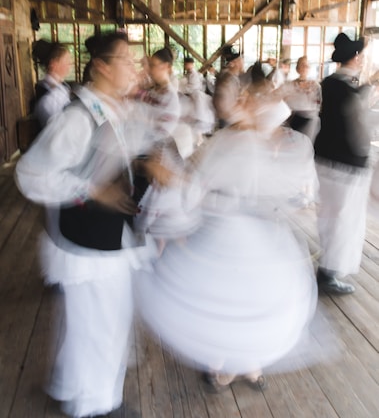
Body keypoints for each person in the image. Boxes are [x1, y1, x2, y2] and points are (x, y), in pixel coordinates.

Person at [135, 80, 319, 392]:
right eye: (244, 99)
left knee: (244, 295)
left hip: (247, 231)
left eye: (249, 99)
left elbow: (209, 190)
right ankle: (227, 362)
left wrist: (176, 180)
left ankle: (242, 362)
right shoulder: (229, 140)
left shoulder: (251, 143)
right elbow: (203, 184)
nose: (245, 103)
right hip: (230, 230)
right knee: (230, 295)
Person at [15, 31, 151, 418]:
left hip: (104, 237)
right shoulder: (78, 118)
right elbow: (30, 175)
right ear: (102, 66)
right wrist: (90, 189)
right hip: (88, 244)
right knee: (101, 326)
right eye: (125, 59)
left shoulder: (109, 110)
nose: (133, 66)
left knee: (92, 322)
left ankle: (74, 386)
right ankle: (96, 406)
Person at [314, 33, 372, 295]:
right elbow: (359, 130)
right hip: (345, 165)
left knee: (328, 216)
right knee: (344, 220)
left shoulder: (328, 83)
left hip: (324, 159)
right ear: (356, 57)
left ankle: (327, 267)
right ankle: (328, 273)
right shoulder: (349, 89)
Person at [31, 40, 72, 128]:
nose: (70, 64)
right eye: (66, 60)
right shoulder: (47, 100)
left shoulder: (62, 87)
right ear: (53, 64)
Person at [280, 56, 322, 143]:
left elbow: (318, 104)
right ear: (297, 68)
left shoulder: (315, 85)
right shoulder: (289, 85)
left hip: (308, 121)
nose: (304, 68)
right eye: (302, 65)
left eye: (306, 65)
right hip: (291, 119)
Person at [212, 45, 244, 127]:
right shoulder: (227, 78)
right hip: (228, 117)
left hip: (230, 116)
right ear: (232, 63)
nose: (242, 63)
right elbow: (223, 102)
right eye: (239, 61)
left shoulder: (232, 77)